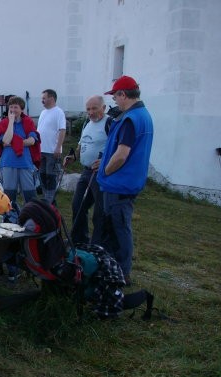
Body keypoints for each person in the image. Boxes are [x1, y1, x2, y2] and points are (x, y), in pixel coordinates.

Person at [97, 75, 154, 285]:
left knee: (119, 229)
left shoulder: (130, 119)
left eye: (115, 96)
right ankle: (114, 268)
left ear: (123, 94)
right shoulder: (142, 115)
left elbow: (121, 155)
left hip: (119, 184)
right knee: (117, 228)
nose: (114, 101)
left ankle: (121, 273)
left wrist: (106, 172)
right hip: (126, 182)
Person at [64, 95, 110, 245]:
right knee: (77, 205)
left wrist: (105, 161)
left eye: (94, 108)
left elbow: (116, 147)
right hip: (86, 171)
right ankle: (78, 240)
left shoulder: (110, 123)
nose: (90, 112)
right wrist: (73, 157)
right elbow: (81, 145)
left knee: (99, 212)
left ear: (103, 108)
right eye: (88, 109)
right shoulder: (86, 123)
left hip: (101, 173)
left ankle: (98, 244)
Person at [0, 95, 41, 210]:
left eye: (16, 107)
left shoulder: (28, 122)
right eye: (11, 107)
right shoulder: (3, 123)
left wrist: (15, 143)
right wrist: (11, 122)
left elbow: (32, 141)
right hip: (8, 162)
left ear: (21, 109)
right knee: (9, 194)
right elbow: (5, 140)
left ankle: (31, 216)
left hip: (25, 162)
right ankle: (10, 217)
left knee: (30, 194)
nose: (13, 110)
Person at [37, 89, 66, 203]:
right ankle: (46, 198)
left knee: (51, 176)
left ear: (52, 98)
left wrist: (58, 147)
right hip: (41, 150)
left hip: (52, 151)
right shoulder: (43, 113)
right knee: (42, 175)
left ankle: (50, 200)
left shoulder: (58, 112)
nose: (42, 100)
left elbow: (62, 130)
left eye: (44, 98)